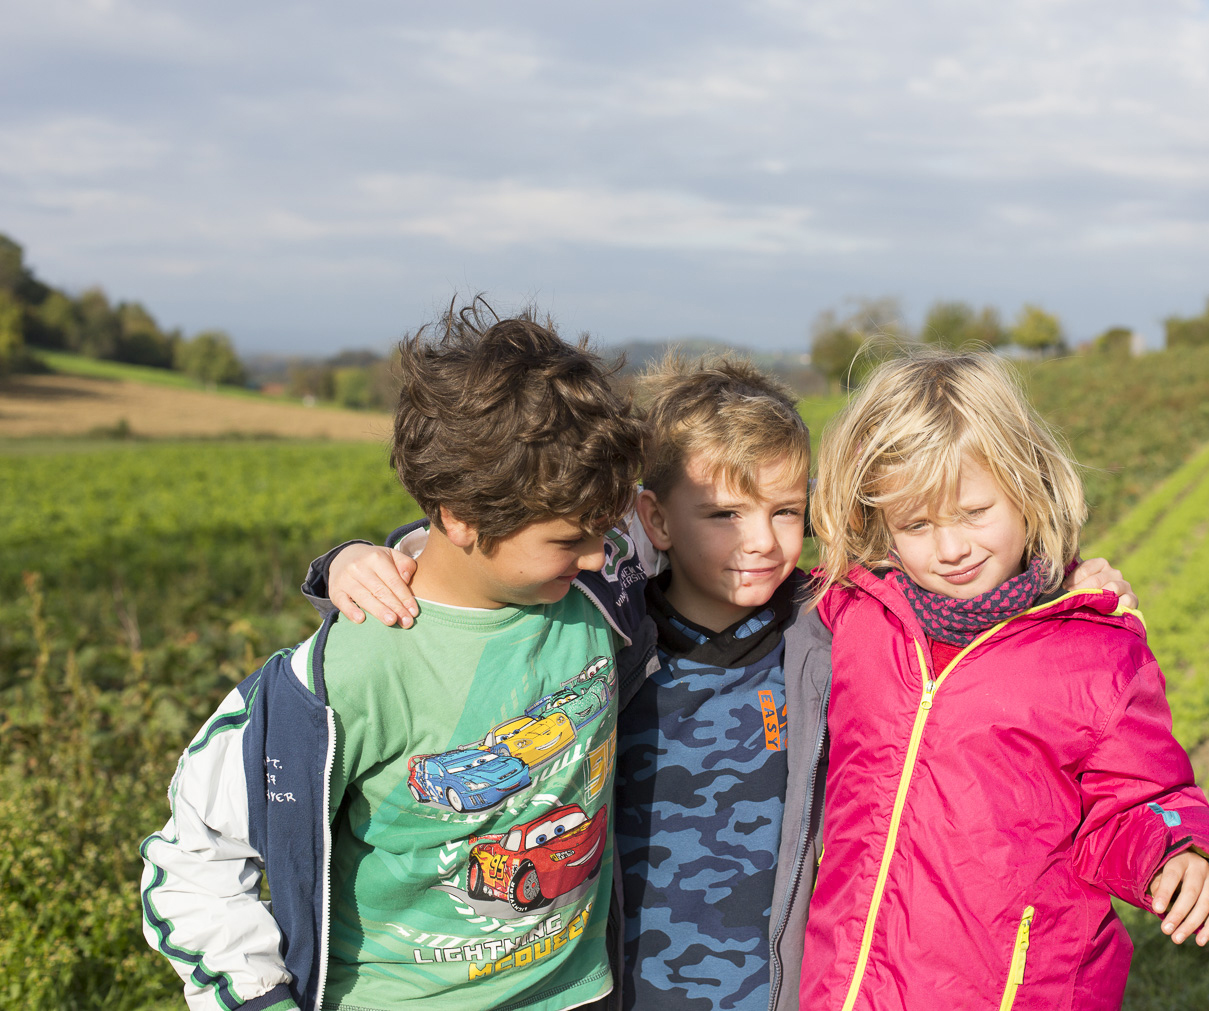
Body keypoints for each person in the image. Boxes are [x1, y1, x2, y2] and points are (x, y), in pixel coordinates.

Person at [313, 356, 1136, 1011]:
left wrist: (1064, 589)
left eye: (786, 510)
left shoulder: (831, 623)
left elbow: (964, 610)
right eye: (725, 514)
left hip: (779, 987)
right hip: (620, 984)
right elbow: (495, 566)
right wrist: (364, 558)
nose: (763, 542)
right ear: (657, 517)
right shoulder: (603, 625)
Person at [140, 301, 648, 1011]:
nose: (601, 553)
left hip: (577, 994)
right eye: (570, 539)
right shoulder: (349, 668)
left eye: (602, 528)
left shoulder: (597, 597)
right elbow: (192, 862)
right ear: (461, 514)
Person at [800, 346, 1209, 1011]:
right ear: (881, 519)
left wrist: (1177, 847)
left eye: (975, 513)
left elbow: (1136, 797)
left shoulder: (1095, 652)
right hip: (849, 984)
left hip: (1015, 990)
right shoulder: (850, 614)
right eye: (917, 525)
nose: (950, 548)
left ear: (1026, 486)